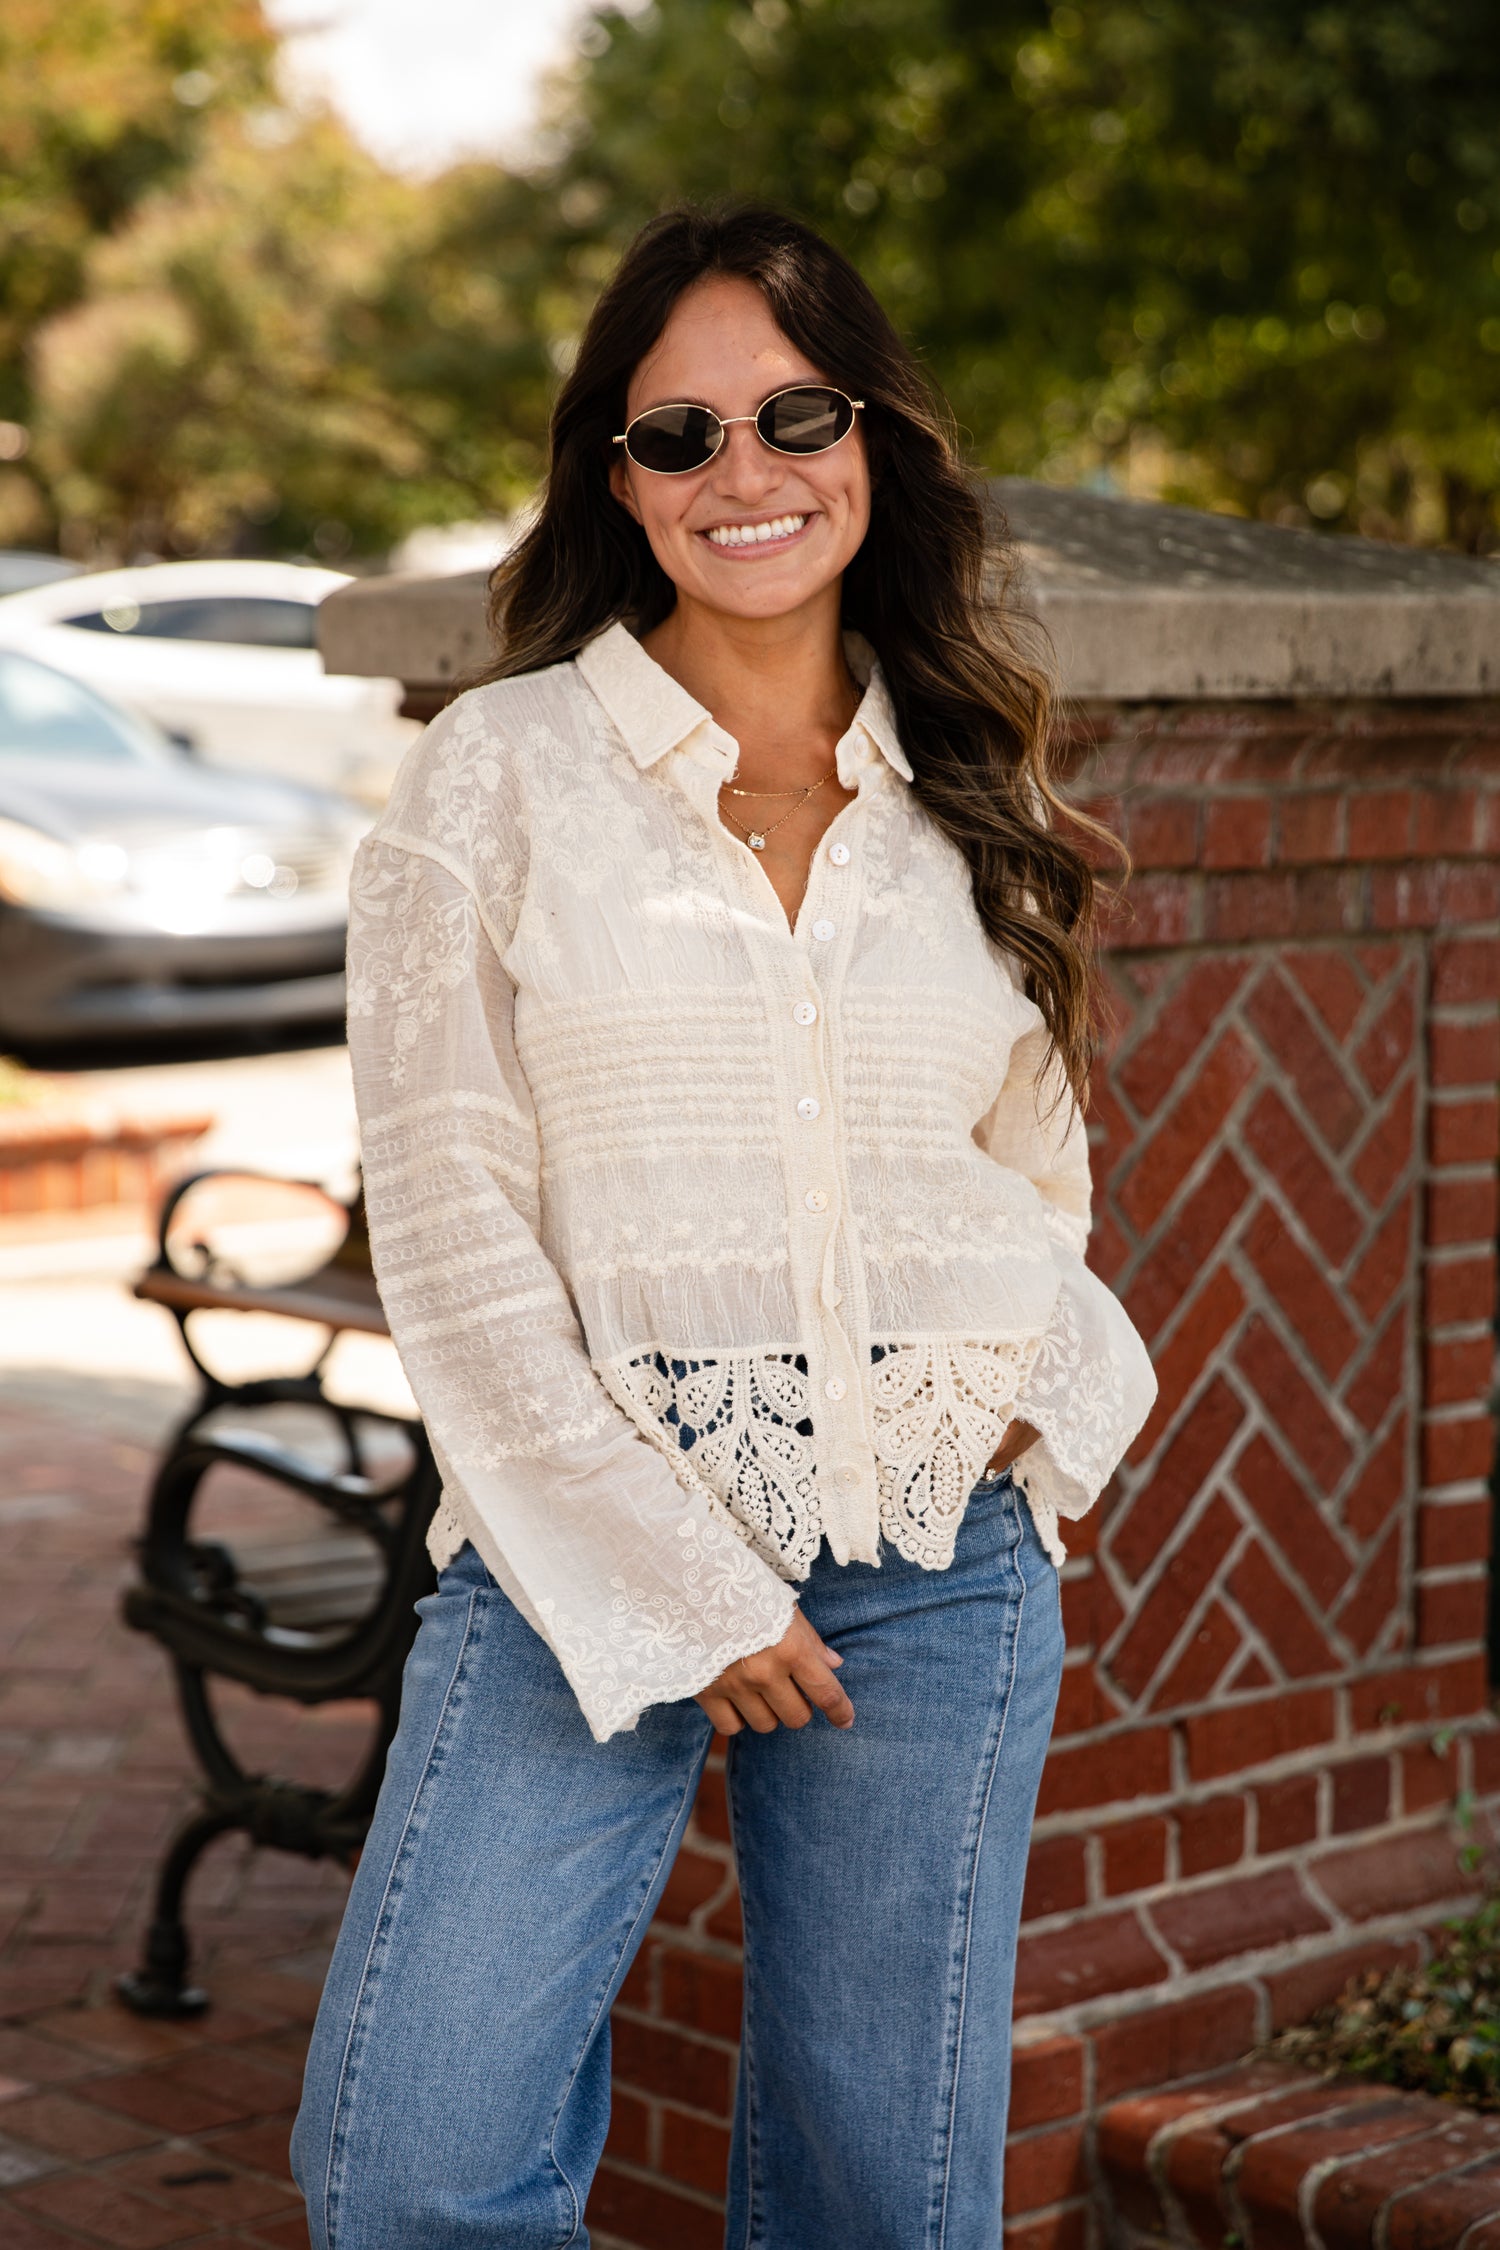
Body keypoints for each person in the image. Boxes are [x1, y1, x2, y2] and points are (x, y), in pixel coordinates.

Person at [291, 202, 1155, 2250]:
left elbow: (1034, 1174)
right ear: (618, 477)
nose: (744, 472)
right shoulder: (492, 786)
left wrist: (1040, 1418)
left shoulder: (968, 787)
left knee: (886, 2193)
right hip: (581, 1539)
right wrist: (688, 1583)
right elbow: (451, 1230)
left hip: (940, 1563)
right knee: (408, 2164)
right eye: (679, 436)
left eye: (793, 412)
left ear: (876, 438)